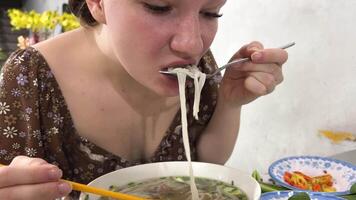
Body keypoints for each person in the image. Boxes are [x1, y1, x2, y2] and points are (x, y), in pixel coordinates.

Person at [0, 0, 289, 199]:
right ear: (98, 3)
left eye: (211, 12)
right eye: (158, 6)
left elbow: (203, 163)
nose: (192, 44)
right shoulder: (31, 78)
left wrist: (230, 102)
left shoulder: (196, 68)